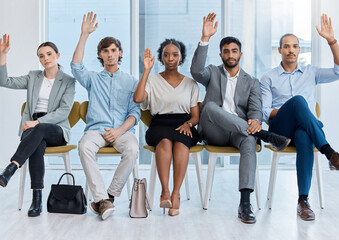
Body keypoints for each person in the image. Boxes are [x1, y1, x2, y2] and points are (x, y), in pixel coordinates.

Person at [190, 13, 290, 224]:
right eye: (226, 51)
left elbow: (255, 109)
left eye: (234, 51)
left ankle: (245, 203)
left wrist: (255, 121)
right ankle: (266, 135)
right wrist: (204, 38)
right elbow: (195, 70)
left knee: (249, 139)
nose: (230, 54)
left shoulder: (252, 82)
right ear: (221, 55)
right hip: (214, 130)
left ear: (241, 54)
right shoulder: (212, 73)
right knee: (208, 107)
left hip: (239, 132)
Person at [260, 13, 339, 221]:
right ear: (280, 50)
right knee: (298, 102)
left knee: (304, 135)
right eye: (286, 46)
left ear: (299, 50)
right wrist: (292, 110)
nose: (291, 50)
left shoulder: (311, 72)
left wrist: (332, 42)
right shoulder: (268, 77)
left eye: (295, 46)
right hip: (280, 131)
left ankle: (303, 201)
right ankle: (329, 152)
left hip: (304, 129)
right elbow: (266, 112)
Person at [71, 12, 140, 221]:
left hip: (122, 130)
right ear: (100, 55)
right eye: (105, 51)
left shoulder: (131, 81)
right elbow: (76, 66)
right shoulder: (92, 78)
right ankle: (101, 199)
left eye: (113, 50)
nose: (110, 54)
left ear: (120, 53)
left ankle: (108, 196)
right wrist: (84, 35)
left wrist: (119, 130)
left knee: (132, 148)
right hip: (96, 130)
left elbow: (134, 113)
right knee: (84, 146)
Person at [0, 34, 75, 217]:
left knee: (38, 129)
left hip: (56, 129)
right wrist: (3, 54)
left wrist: (37, 122)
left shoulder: (68, 81)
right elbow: (4, 81)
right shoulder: (33, 77)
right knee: (36, 145)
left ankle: (11, 167)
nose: (45, 59)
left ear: (58, 54)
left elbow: (64, 112)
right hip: (33, 129)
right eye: (41, 56)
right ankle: (37, 201)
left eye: (49, 54)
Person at [134, 39, 200, 216]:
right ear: (161, 58)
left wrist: (189, 124)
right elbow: (138, 99)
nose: (170, 58)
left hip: (184, 123)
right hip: (160, 123)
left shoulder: (191, 84)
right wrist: (146, 71)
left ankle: (176, 193)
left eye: (175, 54)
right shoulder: (152, 80)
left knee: (180, 144)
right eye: (166, 54)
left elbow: (195, 116)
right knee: (164, 142)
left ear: (181, 58)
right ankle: (165, 191)